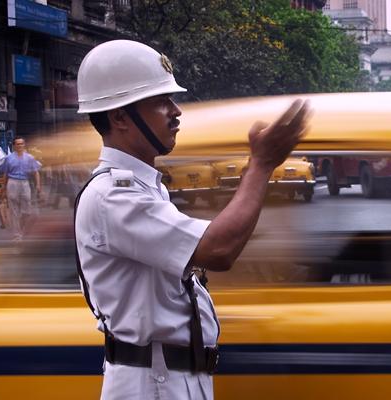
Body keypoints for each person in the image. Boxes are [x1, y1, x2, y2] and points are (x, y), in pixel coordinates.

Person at [74, 40, 310, 400]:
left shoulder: (142, 186)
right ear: (120, 117)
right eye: (160, 102)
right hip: (151, 385)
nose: (176, 111)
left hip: (170, 379)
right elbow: (219, 248)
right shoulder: (113, 196)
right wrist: (262, 164)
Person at [0, 136, 42, 240]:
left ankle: (22, 226)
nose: (20, 146)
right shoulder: (9, 158)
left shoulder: (30, 158)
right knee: (13, 210)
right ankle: (17, 233)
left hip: (25, 182)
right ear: (14, 146)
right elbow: (5, 174)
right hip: (12, 182)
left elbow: (36, 172)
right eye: (17, 144)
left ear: (24, 145)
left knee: (27, 210)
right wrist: (3, 189)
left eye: (21, 144)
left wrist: (38, 185)